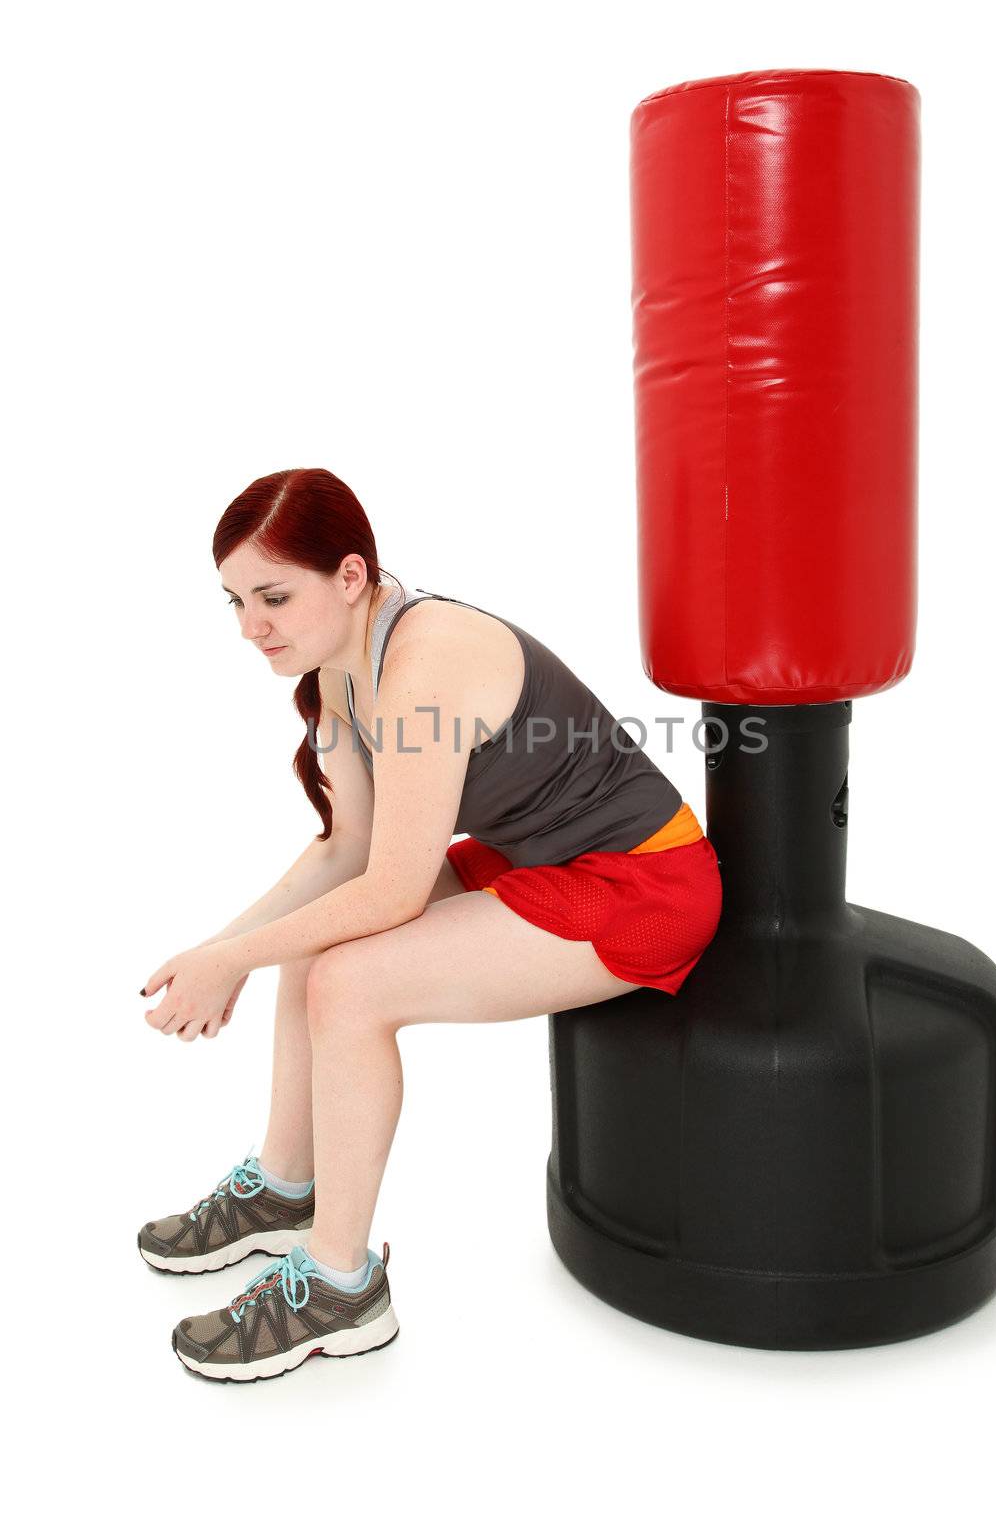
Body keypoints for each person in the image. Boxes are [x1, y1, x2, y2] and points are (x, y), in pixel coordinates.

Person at [139, 466, 722, 1381]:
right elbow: (345, 857)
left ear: (349, 575)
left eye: (273, 597)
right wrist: (221, 952)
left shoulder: (424, 662)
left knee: (349, 977)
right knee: (322, 944)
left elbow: (391, 896)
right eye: (236, 601)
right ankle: (287, 1189)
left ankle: (340, 1287)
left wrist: (236, 962)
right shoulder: (341, 670)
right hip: (545, 860)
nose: (251, 628)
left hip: (643, 885)